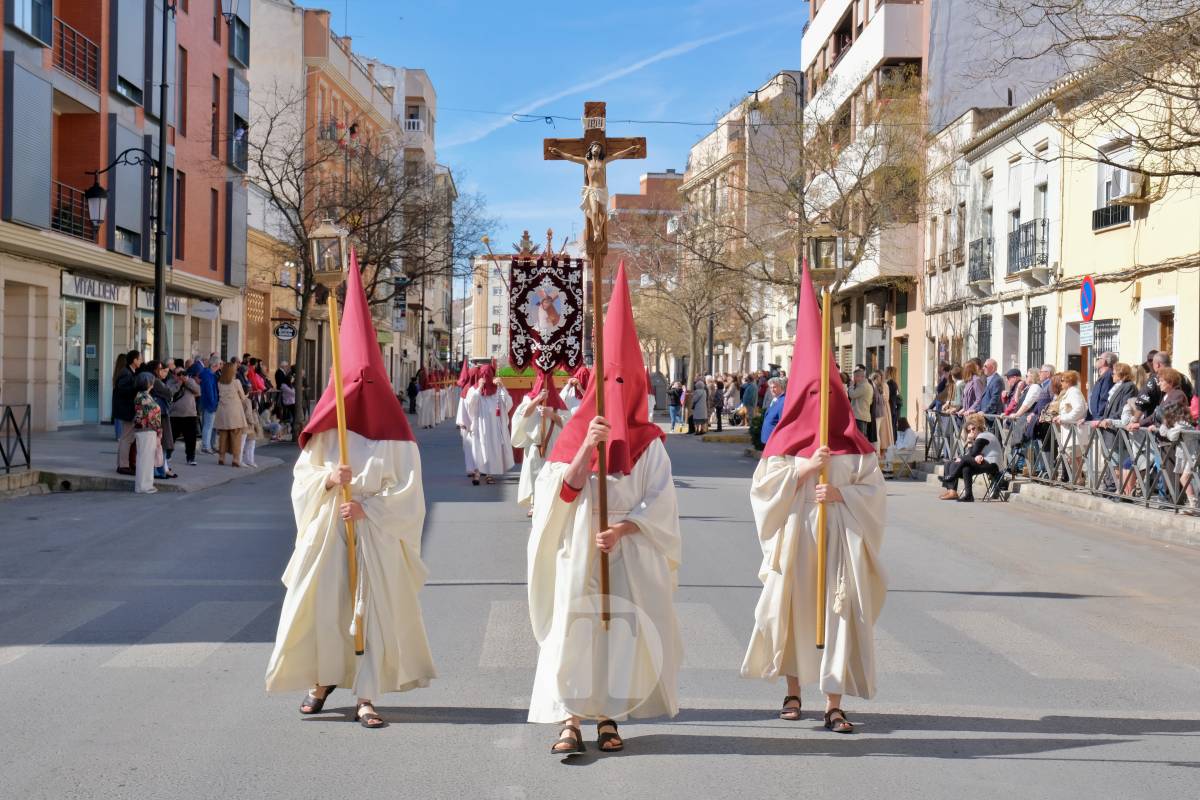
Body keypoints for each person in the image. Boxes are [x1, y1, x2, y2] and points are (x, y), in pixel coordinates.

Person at [266, 260, 435, 730]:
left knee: (370, 614)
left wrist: (369, 507)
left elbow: (409, 493)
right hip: (329, 534)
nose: (359, 391)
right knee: (323, 609)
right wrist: (326, 480)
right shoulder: (328, 430)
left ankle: (365, 693)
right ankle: (321, 680)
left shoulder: (397, 436)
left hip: (373, 536)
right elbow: (302, 477)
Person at [529, 262, 681, 755]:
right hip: (578, 547)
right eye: (609, 383)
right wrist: (583, 452)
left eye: (625, 384)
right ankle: (570, 717)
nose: (616, 394)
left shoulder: (651, 444)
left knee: (618, 633)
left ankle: (609, 716)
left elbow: (660, 500)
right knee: (574, 628)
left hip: (625, 550)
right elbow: (561, 495)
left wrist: (625, 527)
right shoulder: (578, 433)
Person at [741, 262, 886, 735]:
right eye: (814, 394)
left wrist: (841, 491)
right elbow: (763, 491)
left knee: (838, 614)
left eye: (831, 392)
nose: (824, 401)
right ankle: (793, 690)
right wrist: (801, 469)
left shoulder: (855, 445)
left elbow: (874, 491)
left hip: (839, 537)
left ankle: (833, 701)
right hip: (797, 535)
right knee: (793, 613)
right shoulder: (784, 445)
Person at [511, 371, 568, 517]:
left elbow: (566, 423)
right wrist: (537, 399)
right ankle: (534, 504)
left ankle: (548, 504)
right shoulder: (528, 399)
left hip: (552, 445)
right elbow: (521, 416)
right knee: (533, 475)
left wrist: (551, 414)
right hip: (534, 446)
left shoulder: (559, 403)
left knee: (550, 476)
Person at [465, 364, 514, 485]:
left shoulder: (497, 389)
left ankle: (489, 474)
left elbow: (508, 403)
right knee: (479, 449)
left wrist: (502, 386)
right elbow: (470, 404)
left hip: (494, 426)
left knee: (492, 448)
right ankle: (477, 473)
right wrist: (479, 387)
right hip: (480, 425)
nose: (486, 377)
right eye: (484, 375)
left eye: (489, 374)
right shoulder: (474, 389)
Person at [938, 413, 1002, 502]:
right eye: (968, 430)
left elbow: (972, 453)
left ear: (979, 427)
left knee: (963, 460)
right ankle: (962, 494)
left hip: (993, 464)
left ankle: (952, 477)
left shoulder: (984, 436)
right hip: (985, 461)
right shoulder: (979, 437)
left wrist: (969, 442)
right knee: (953, 464)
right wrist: (973, 455)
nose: (971, 431)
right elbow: (973, 454)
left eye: (973, 428)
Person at [131, 372, 163, 494]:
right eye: (152, 381)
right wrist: (159, 429)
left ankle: (145, 484)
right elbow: (152, 415)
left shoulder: (142, 396)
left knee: (145, 458)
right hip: (147, 430)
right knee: (145, 458)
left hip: (145, 430)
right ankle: (143, 486)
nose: (153, 384)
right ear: (148, 383)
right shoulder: (144, 397)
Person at [215, 363, 249, 467]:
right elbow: (243, 397)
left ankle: (221, 457)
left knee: (223, 435)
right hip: (234, 411)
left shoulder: (219, 382)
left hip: (222, 411)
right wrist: (247, 395)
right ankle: (235, 459)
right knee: (236, 435)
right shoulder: (236, 382)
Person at [114, 350, 143, 474]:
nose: (141, 361)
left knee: (127, 437)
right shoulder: (126, 373)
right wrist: (137, 388)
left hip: (127, 409)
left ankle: (124, 464)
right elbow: (123, 391)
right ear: (134, 360)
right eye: (140, 358)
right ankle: (123, 465)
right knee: (126, 438)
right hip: (127, 410)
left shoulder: (130, 372)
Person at [169, 365, 202, 466]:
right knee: (171, 437)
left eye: (182, 373)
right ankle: (167, 455)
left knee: (190, 438)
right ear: (174, 375)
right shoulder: (171, 382)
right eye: (178, 374)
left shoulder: (190, 381)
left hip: (190, 415)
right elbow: (169, 393)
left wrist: (186, 381)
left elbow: (198, 391)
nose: (180, 376)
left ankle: (190, 458)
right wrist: (179, 383)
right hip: (175, 415)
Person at [455, 362, 478, 478]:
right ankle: (479, 468)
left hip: (467, 426)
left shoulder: (465, 390)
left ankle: (471, 469)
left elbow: (461, 409)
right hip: (478, 426)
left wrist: (463, 423)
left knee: (468, 447)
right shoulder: (480, 390)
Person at [199, 358, 221, 454]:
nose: (220, 366)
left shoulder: (208, 374)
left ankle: (209, 445)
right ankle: (206, 446)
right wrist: (213, 403)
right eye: (219, 364)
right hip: (209, 403)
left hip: (208, 403)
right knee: (208, 426)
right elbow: (209, 391)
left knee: (210, 425)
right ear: (214, 365)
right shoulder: (208, 375)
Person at [871, 371, 894, 459]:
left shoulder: (885, 385)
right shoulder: (875, 385)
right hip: (878, 410)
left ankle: (883, 451)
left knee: (883, 432)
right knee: (878, 432)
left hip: (884, 409)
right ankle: (879, 451)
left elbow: (886, 398)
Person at [1088, 352, 1116, 420]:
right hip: (1096, 418)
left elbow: (1105, 398)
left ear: (1104, 361)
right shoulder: (1104, 376)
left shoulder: (1108, 376)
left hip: (1100, 419)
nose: (1097, 360)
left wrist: (1099, 417)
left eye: (1099, 358)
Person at [847, 367, 874, 439]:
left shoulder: (864, 386)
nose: (853, 379)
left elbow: (852, 395)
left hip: (859, 415)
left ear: (860, 377)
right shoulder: (866, 385)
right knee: (862, 437)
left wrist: (851, 386)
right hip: (862, 415)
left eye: (855, 377)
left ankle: (863, 450)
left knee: (861, 438)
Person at [760, 377, 787, 446]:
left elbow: (783, 423)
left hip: (775, 441)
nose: (772, 390)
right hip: (768, 440)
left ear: (781, 387)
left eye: (774, 387)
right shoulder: (775, 399)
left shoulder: (783, 401)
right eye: (770, 387)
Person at [111, 353, 128, 441]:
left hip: (116, 397)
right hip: (123, 398)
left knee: (118, 417)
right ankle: (120, 436)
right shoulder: (126, 372)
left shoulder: (117, 371)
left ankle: (118, 435)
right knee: (122, 417)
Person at [884, 365, 901, 436]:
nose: (884, 373)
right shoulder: (894, 383)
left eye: (886, 371)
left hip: (891, 408)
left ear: (888, 373)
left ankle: (892, 444)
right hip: (894, 408)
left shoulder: (890, 383)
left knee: (891, 428)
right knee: (893, 427)